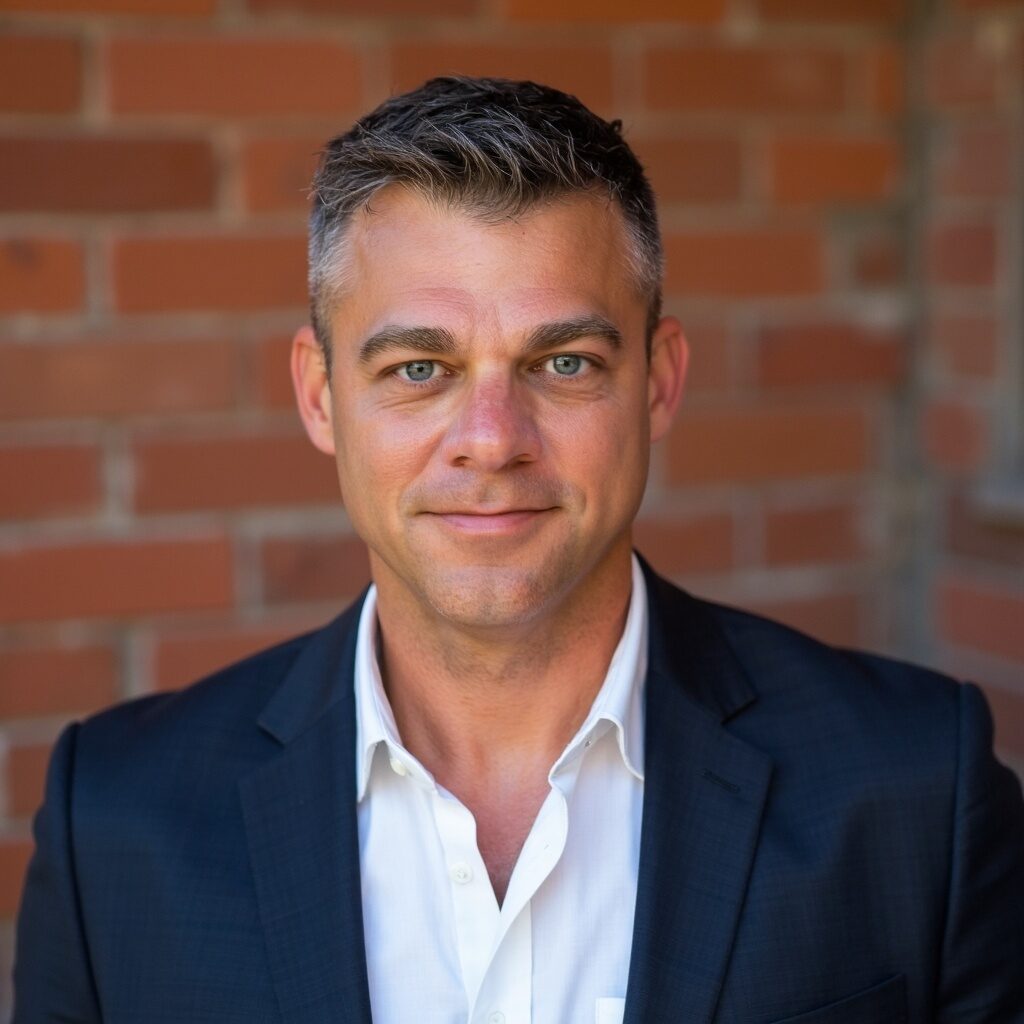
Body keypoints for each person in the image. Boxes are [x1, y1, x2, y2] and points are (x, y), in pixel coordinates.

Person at [12, 76, 1024, 1024]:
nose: (492, 440)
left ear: (658, 381)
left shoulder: (914, 789)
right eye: (420, 368)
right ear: (320, 396)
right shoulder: (117, 821)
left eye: (564, 362)